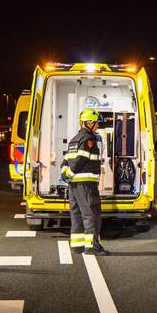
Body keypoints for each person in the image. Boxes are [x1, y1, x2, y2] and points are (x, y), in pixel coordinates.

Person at [61, 109, 108, 255]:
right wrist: (70, 172)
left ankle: (78, 245)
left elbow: (65, 160)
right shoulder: (89, 139)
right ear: (89, 123)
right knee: (91, 214)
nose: (98, 126)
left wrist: (66, 174)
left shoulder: (74, 139)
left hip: (74, 185)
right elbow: (80, 159)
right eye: (96, 123)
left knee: (76, 214)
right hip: (86, 184)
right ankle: (92, 247)